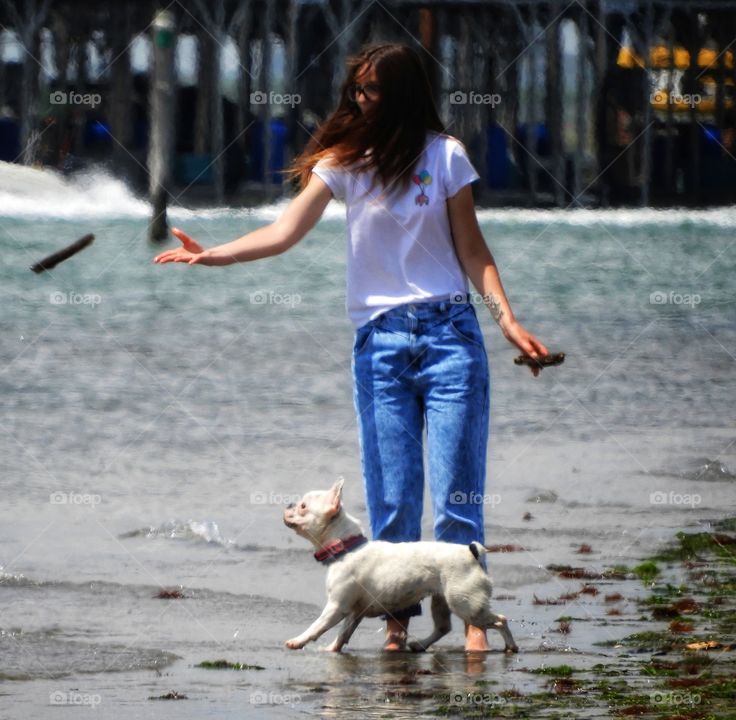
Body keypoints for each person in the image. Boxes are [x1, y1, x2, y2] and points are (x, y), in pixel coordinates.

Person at [153, 42, 550, 652]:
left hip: (451, 336)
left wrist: (507, 320)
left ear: (404, 93)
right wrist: (214, 255)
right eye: (357, 90)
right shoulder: (343, 161)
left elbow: (473, 250)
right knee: (392, 499)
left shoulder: (445, 156)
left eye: (374, 90)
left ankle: (474, 623)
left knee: (458, 494)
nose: (363, 100)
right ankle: (398, 623)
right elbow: (285, 231)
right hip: (379, 345)